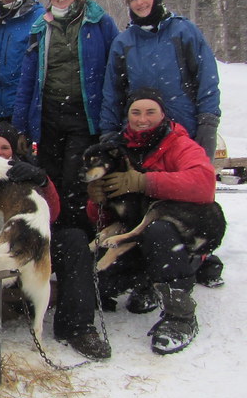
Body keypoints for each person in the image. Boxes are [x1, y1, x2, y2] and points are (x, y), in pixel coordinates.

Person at [100, 0, 224, 287]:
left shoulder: (183, 32)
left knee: (192, 193)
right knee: (147, 198)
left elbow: (206, 77)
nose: (140, 2)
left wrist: (208, 122)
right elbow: (113, 92)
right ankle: (149, 263)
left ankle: (200, 257)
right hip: (141, 132)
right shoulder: (124, 42)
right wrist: (109, 133)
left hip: (185, 127)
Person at [87, 88, 215, 355]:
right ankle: (145, 281)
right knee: (103, 284)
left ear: (163, 114)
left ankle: (180, 316)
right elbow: (107, 219)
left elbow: (204, 184)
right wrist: (97, 200)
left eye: (150, 112)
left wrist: (146, 182)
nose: (142, 119)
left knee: (158, 230)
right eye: (136, 112)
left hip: (179, 231)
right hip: (132, 235)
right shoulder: (117, 149)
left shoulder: (179, 143)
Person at [0, 123, 111, 360]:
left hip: (30, 240)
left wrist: (43, 182)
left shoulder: (23, 171)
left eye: (4, 147)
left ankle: (77, 327)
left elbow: (55, 214)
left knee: (73, 240)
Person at [12, 0, 120, 232]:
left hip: (83, 113)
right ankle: (52, 232)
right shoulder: (41, 27)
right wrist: (20, 125)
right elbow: (28, 79)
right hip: (48, 113)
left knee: (75, 177)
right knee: (49, 176)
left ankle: (77, 236)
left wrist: (111, 118)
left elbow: (115, 71)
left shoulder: (99, 22)